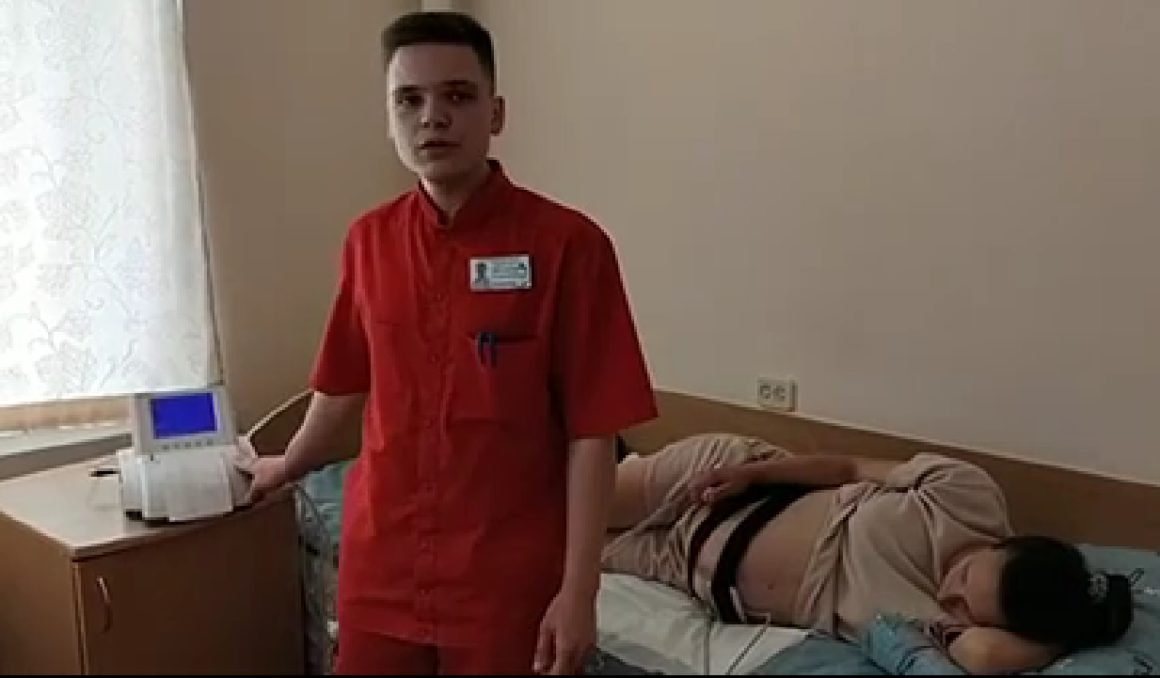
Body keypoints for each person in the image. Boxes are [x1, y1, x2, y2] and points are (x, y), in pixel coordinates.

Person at [239, 11, 657, 676]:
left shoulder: (570, 247)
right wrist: (286, 465)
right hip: (381, 570)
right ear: (388, 119)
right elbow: (342, 385)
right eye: (409, 100)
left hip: (505, 584)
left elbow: (593, 434)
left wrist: (579, 592)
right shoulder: (368, 242)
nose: (432, 117)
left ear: (496, 113)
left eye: (457, 96)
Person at [603, 433, 1135, 675]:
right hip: (730, 487)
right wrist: (749, 474)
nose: (948, 591)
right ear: (1006, 541)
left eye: (966, 605)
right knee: (564, 505)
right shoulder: (965, 497)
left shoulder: (950, 629)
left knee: (560, 554)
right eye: (967, 572)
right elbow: (849, 468)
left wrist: (1069, 628)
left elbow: (986, 659)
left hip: (685, 569)